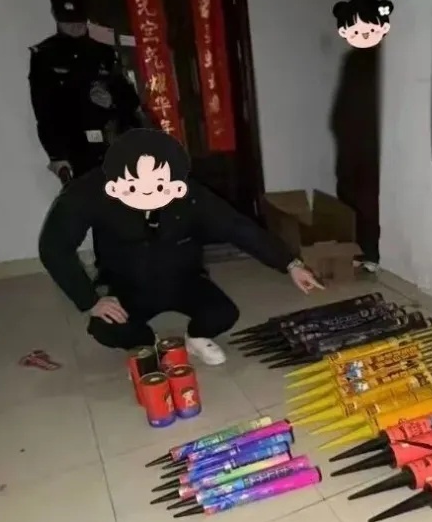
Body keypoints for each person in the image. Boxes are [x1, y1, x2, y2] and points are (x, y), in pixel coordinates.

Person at [38, 128, 324, 366]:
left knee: (224, 314)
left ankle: (195, 339)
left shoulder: (185, 190)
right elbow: (54, 246)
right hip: (126, 285)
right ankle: (148, 344)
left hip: (182, 279)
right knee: (106, 328)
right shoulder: (90, 191)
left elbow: (237, 227)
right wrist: (90, 300)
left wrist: (290, 264)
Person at [28, 0, 144, 183]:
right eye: (68, 21)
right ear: (55, 16)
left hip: (114, 146)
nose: (75, 26)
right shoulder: (45, 56)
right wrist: (57, 157)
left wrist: (112, 100)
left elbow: (130, 99)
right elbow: (45, 112)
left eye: (79, 21)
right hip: (77, 153)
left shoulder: (104, 53)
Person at [329, 0, 393, 273]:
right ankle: (357, 249)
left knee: (370, 198)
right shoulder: (353, 60)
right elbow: (344, 101)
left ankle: (372, 253)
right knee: (348, 193)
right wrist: (339, 128)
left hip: (373, 142)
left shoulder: (389, 60)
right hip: (350, 140)